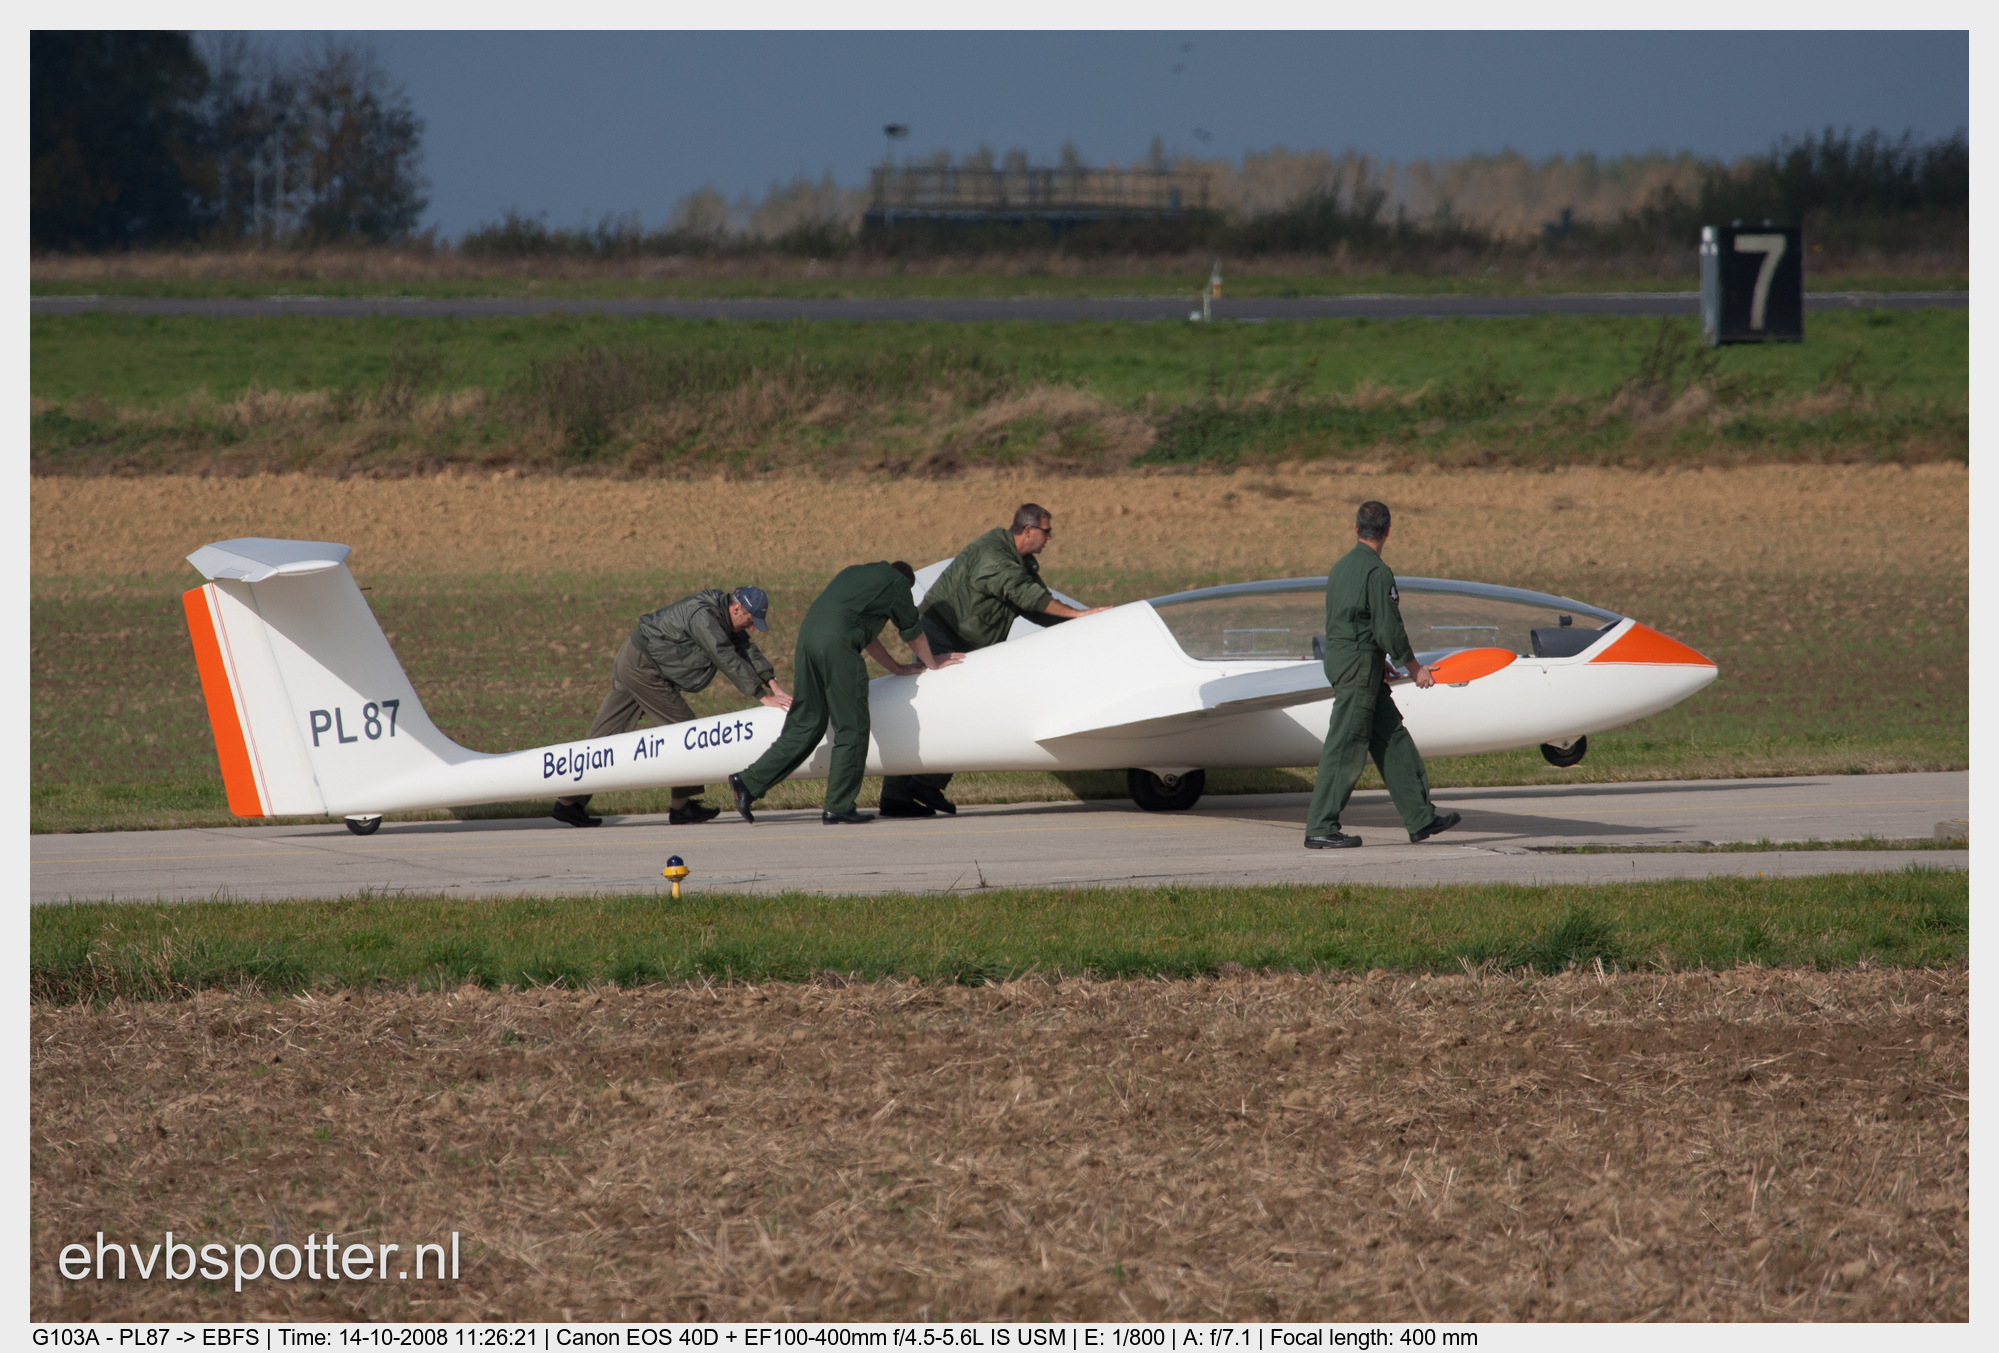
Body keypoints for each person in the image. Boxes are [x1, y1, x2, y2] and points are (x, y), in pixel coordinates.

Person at [879, 503, 1111, 818]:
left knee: (950, 712)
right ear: (1028, 530)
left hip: (962, 638)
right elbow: (1030, 596)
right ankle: (912, 789)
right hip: (939, 633)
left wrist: (1082, 624)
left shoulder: (1016, 561)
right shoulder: (995, 557)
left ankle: (912, 790)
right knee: (947, 711)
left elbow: (1035, 606)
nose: (1050, 538)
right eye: (1047, 531)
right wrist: (1079, 615)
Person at [728, 561, 963, 825]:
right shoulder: (897, 583)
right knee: (852, 727)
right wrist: (933, 662)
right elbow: (912, 631)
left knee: (806, 724)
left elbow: (867, 637)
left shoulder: (857, 574)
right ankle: (838, 805)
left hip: (809, 638)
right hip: (838, 644)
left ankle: (748, 782)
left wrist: (897, 668)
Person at [552, 586, 792, 828]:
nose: (751, 628)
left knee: (604, 739)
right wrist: (761, 696)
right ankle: (681, 807)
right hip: (643, 666)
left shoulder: (724, 617)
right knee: (687, 734)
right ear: (737, 608)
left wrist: (774, 685)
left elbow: (746, 649)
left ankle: (568, 802)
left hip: (635, 659)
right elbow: (724, 655)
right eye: (750, 620)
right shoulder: (703, 617)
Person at [1304, 501, 1462, 849]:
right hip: (1358, 668)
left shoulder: (1342, 567)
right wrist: (1414, 667)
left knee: (1392, 737)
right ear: (1388, 531)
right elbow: (1388, 626)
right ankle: (1320, 826)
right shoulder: (1377, 573)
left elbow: (1348, 620)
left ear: (1355, 528)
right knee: (1346, 744)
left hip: (1351, 660)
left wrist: (1378, 660)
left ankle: (1420, 818)